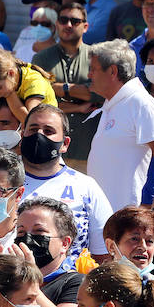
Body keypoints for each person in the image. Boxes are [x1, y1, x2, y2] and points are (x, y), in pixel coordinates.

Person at [85, 39, 154, 211]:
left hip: (128, 215)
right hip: (104, 213)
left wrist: (147, 204)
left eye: (93, 69)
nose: (89, 75)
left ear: (113, 71)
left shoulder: (140, 102)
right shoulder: (113, 103)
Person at [19, 105, 111, 260]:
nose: (39, 135)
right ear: (22, 136)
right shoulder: (2, 185)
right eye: (33, 130)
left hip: (71, 281)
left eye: (48, 131)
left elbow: (104, 254)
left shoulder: (86, 187)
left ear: (65, 144)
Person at [32, 2, 98, 169]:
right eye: (63, 20)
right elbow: (39, 104)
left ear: (85, 26)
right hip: (50, 149)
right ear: (57, 24)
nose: (68, 25)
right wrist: (78, 106)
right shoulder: (41, 59)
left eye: (75, 21)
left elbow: (99, 95)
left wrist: (61, 88)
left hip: (88, 149)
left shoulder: (96, 57)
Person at [14, 197, 83, 307]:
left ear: (65, 243)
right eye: (21, 233)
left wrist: (29, 281)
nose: (27, 240)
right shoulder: (9, 280)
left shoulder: (76, 282)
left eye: (39, 232)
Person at [0, 47, 58, 126]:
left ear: (11, 73)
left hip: (47, 128)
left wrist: (10, 95)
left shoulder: (33, 81)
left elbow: (29, 121)